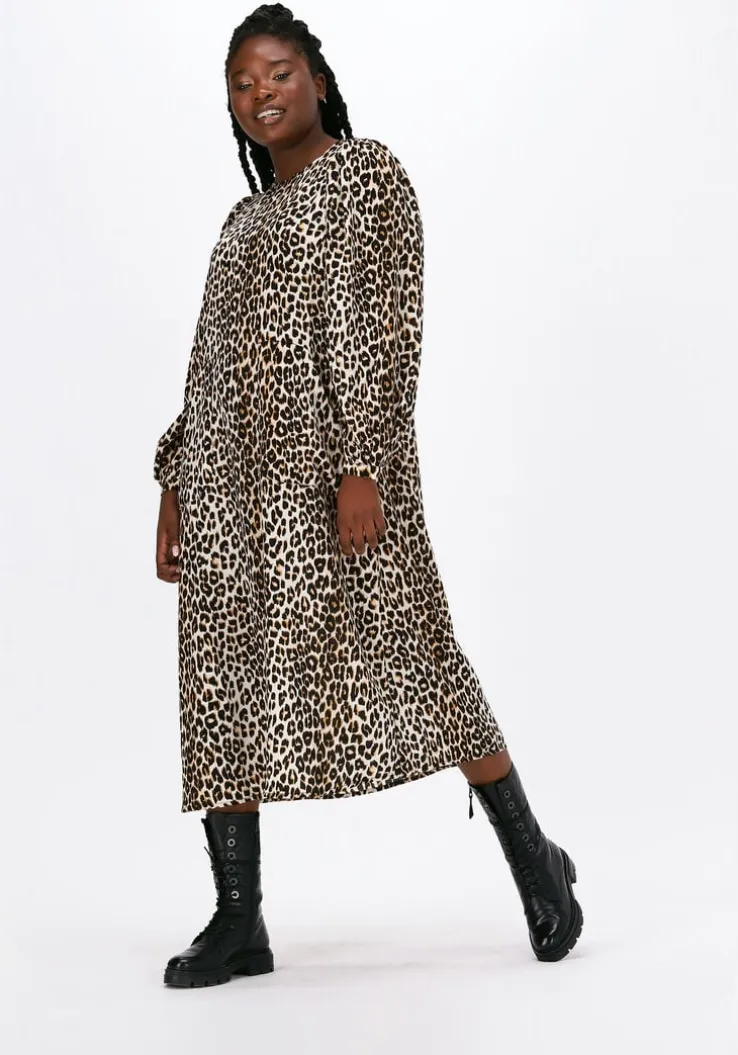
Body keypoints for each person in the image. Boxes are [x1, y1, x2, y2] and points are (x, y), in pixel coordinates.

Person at [154, 4, 583, 988]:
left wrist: (365, 462)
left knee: (417, 653)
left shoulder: (368, 175)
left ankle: (537, 860)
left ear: (317, 79)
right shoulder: (242, 220)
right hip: (228, 487)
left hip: (335, 474)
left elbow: (388, 322)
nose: (260, 94)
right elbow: (207, 360)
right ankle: (239, 917)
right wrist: (176, 476)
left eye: (277, 72)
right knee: (220, 681)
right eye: (241, 83)